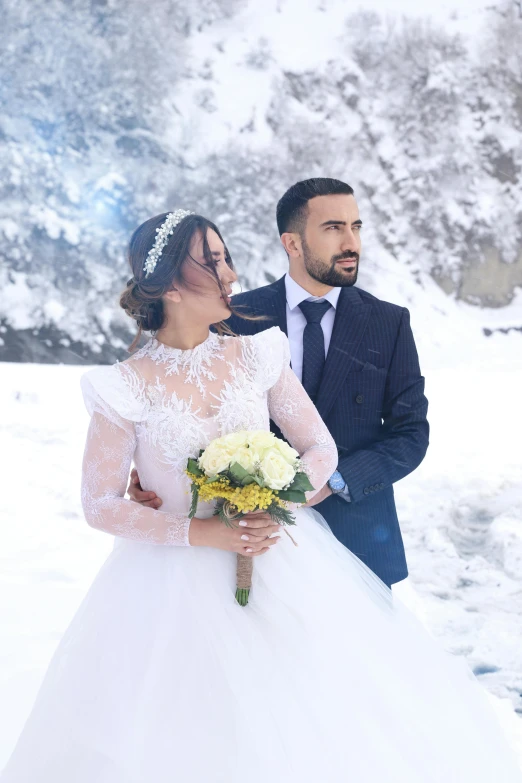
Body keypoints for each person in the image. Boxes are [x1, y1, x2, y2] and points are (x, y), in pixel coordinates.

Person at [2, 210, 521, 783]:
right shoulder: (123, 386)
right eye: (214, 261)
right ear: (171, 284)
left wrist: (277, 504)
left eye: (227, 257)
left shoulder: (257, 354)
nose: (231, 273)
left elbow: (318, 449)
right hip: (167, 587)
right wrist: (202, 531)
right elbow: (99, 503)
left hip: (282, 562)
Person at [129, 178, 429, 588]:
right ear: (292, 243)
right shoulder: (233, 313)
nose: (351, 242)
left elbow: (410, 434)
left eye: (356, 227)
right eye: (333, 228)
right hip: (247, 542)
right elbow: (185, 398)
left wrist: (330, 483)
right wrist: (154, 476)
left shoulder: (388, 323)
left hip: (359, 535)